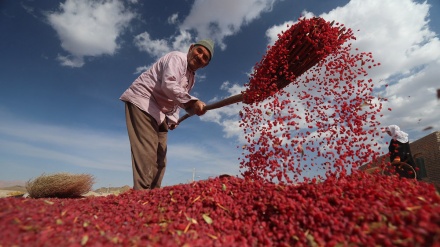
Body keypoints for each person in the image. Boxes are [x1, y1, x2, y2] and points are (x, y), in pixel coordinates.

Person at [120, 39, 214, 190]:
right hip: (144, 101)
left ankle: (154, 195)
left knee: (160, 160)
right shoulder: (177, 58)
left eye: (205, 57)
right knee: (147, 154)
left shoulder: (191, 78)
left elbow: (176, 99)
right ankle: (141, 197)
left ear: (205, 64)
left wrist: (173, 119)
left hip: (161, 112)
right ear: (191, 48)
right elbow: (169, 84)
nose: (200, 56)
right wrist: (193, 102)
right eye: (199, 51)